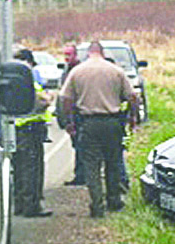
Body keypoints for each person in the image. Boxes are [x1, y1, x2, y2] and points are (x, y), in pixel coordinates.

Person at [58, 41, 138, 218]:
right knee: (113, 162)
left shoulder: (77, 71)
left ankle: (97, 205)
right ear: (102, 52)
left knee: (91, 165)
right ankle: (114, 201)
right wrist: (132, 117)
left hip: (89, 123)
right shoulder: (116, 71)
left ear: (88, 53)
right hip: (112, 122)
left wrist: (69, 122)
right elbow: (132, 96)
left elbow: (65, 99)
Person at [12, 47, 52, 217]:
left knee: (19, 168)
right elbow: (41, 101)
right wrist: (49, 98)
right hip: (31, 129)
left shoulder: (11, 79)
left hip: (17, 129)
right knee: (32, 169)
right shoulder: (27, 79)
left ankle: (19, 204)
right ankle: (32, 206)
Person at [56, 43, 85, 186]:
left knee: (81, 146)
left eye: (69, 54)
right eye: (65, 55)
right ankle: (80, 174)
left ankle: (82, 175)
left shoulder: (80, 71)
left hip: (79, 114)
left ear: (76, 55)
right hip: (70, 115)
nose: (66, 58)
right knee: (76, 145)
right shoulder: (66, 71)